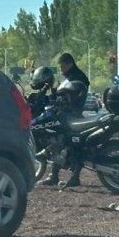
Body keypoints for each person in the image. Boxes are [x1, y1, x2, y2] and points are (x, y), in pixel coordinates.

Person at [39, 53, 91, 187]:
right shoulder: (69, 77)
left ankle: (75, 177)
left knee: (71, 144)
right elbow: (60, 93)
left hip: (73, 114)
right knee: (59, 141)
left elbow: (72, 95)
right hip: (66, 113)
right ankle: (54, 175)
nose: (61, 68)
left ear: (69, 64)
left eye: (62, 66)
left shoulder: (78, 77)